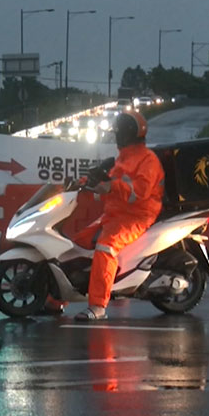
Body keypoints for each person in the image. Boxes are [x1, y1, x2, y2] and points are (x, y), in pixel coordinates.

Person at [49, 111, 165, 321]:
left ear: (129, 134)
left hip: (136, 217)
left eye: (119, 133)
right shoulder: (123, 158)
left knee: (105, 248)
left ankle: (98, 307)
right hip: (114, 215)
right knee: (76, 246)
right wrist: (84, 182)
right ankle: (58, 300)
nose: (116, 137)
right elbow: (108, 180)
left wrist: (111, 186)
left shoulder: (147, 160)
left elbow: (140, 191)